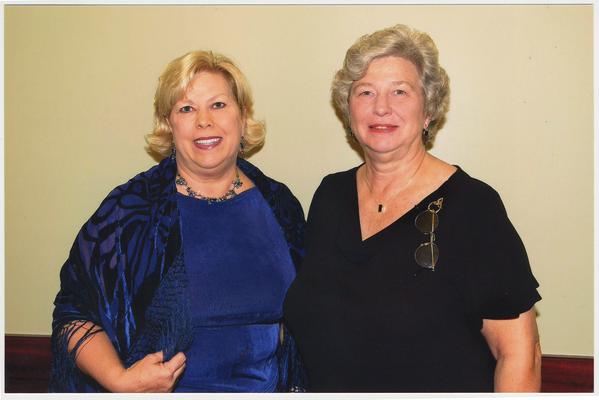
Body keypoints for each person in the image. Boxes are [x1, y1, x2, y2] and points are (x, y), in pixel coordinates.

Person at [283, 24, 542, 392]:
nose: (381, 107)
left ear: (428, 110)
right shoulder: (330, 196)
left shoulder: (474, 208)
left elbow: (520, 354)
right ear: (348, 109)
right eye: (366, 91)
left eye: (400, 92)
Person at [50, 50, 306, 393]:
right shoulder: (132, 210)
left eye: (218, 105)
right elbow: (73, 313)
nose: (204, 121)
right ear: (168, 124)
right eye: (186, 108)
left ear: (243, 117)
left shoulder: (280, 205)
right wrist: (120, 380)